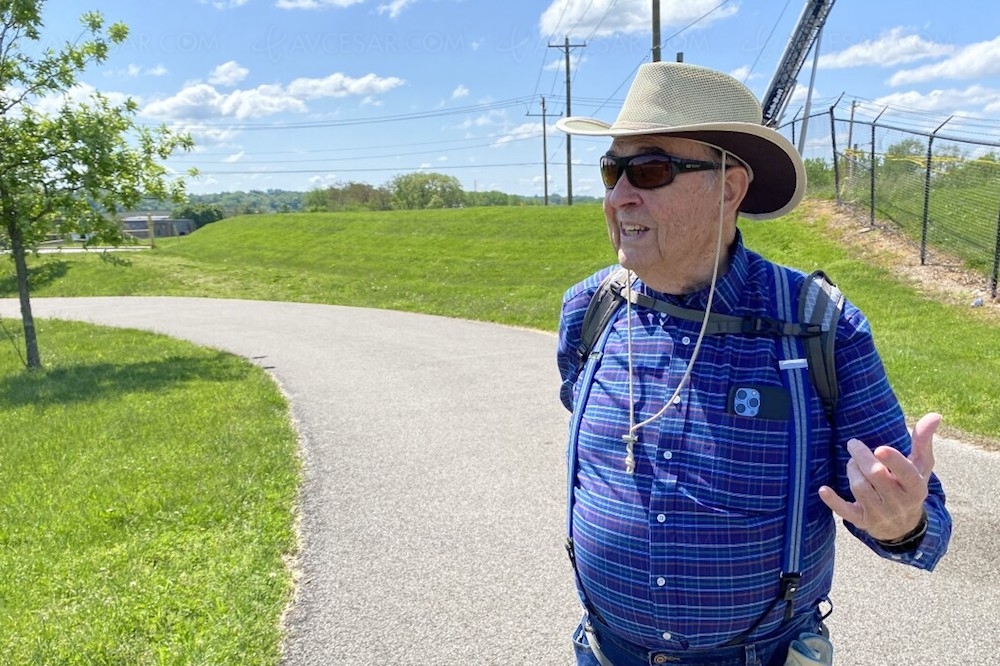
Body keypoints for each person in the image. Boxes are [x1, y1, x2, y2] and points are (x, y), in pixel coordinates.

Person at [554, 61, 951, 666]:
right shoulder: (591, 310)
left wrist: (903, 524)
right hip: (605, 650)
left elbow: (917, 521)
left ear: (730, 188)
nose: (618, 196)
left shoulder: (820, 327)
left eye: (650, 169)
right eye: (612, 170)